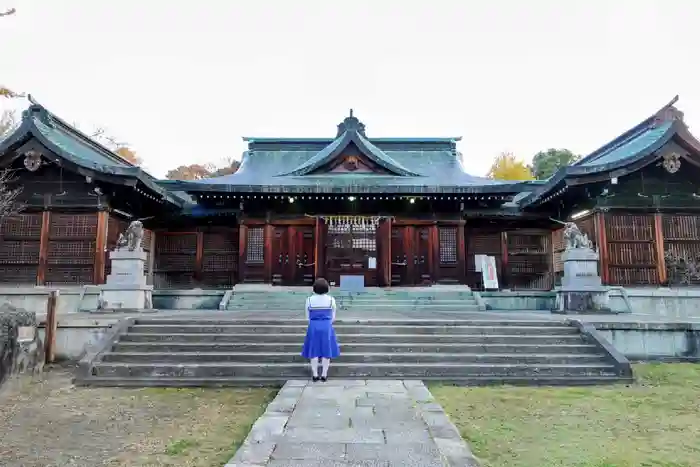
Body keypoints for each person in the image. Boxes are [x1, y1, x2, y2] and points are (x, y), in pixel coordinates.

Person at [301, 277, 340, 382]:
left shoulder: (309, 300)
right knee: (326, 351)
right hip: (326, 326)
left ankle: (314, 374)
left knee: (313, 351)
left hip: (313, 326)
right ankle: (324, 374)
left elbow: (307, 316)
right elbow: (333, 316)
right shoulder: (331, 299)